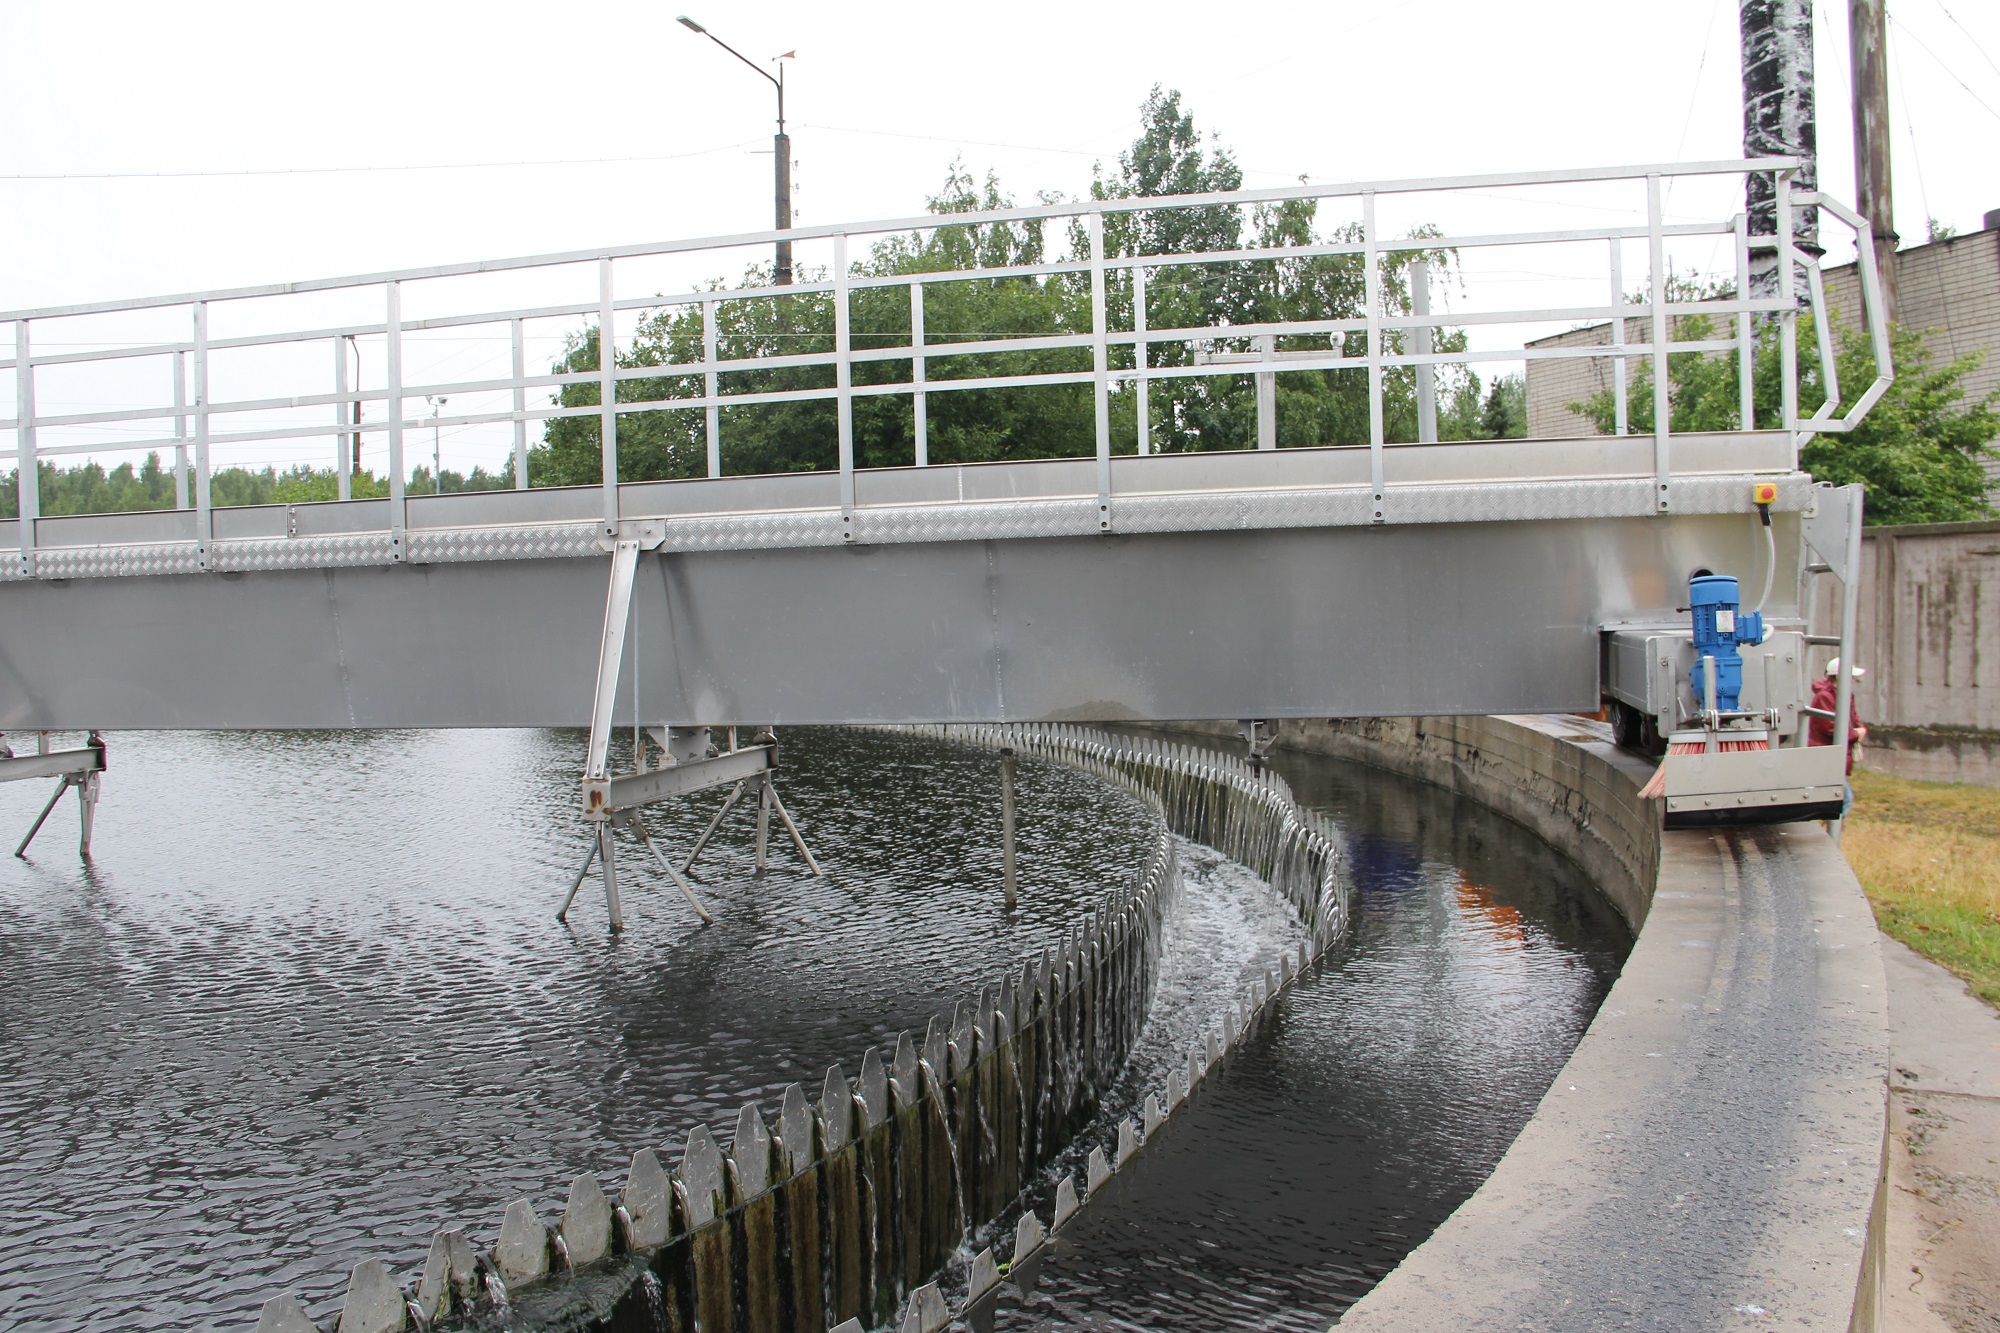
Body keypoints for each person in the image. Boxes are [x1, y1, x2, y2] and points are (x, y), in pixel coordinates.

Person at [1809, 658, 1868, 816]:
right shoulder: (1825, 697)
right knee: (1844, 798)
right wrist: (1857, 733)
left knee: (1837, 797)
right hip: (1825, 754)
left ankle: (1828, 829)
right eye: (1851, 676)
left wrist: (1861, 729)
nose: (1854, 680)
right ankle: (1829, 833)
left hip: (1834, 755)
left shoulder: (1845, 696)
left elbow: (1853, 720)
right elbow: (1831, 728)